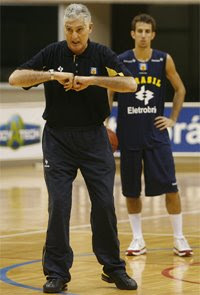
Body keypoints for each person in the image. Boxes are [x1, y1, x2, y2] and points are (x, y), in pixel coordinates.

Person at [8, 4, 138, 293]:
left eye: (80, 29)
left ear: (89, 28)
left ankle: (113, 268)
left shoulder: (102, 54)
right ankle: (56, 273)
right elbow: (15, 78)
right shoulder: (53, 52)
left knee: (104, 204)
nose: (74, 35)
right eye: (69, 29)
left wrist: (92, 80)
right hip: (57, 140)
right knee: (59, 206)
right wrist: (51, 76)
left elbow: (130, 83)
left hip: (94, 138)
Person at [108, 14, 193, 257]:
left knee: (170, 186)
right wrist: (105, 120)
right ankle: (138, 239)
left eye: (148, 31)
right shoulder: (121, 61)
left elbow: (180, 89)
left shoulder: (163, 59)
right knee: (131, 190)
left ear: (153, 34)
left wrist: (173, 119)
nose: (143, 35)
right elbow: (109, 91)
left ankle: (179, 238)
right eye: (140, 31)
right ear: (132, 34)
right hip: (129, 134)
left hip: (156, 135)